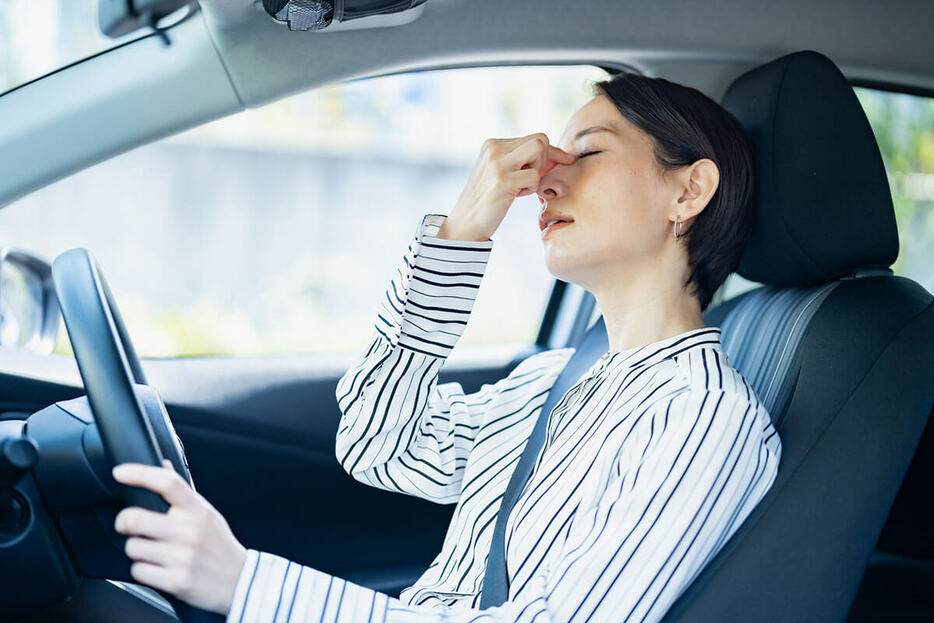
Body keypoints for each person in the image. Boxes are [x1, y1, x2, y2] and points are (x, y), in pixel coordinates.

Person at [110, 71, 782, 623]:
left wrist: (247, 584)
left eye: (590, 151)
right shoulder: (552, 380)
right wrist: (461, 233)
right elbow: (379, 442)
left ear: (688, 189)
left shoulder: (701, 416)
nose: (546, 180)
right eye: (553, 158)